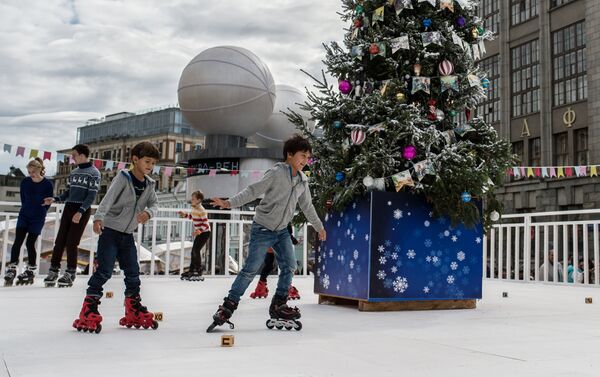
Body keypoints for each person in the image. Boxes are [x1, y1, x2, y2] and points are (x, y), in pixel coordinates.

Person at [207, 135, 326, 332]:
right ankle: (227, 307)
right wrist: (229, 203)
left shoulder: (303, 181)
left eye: (308, 157)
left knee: (289, 265)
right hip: (263, 228)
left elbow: (307, 207)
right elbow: (253, 191)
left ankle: (278, 304)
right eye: (302, 156)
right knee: (250, 269)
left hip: (281, 231)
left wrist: (319, 227)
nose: (305, 161)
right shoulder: (276, 173)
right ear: (289, 155)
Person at [72, 142, 159, 334]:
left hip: (128, 234)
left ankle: (133, 308)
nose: (150, 166)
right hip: (110, 231)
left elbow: (154, 204)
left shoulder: (149, 184)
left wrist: (148, 213)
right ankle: (89, 308)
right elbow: (108, 198)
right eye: (147, 161)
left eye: (153, 163)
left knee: (133, 272)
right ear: (135, 160)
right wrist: (98, 218)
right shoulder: (123, 177)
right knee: (104, 271)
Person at [43, 144, 100, 287]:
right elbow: (68, 192)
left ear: (82, 155)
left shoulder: (94, 173)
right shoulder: (74, 172)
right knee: (60, 240)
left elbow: (91, 195)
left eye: (74, 155)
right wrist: (55, 199)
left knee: (72, 242)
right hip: (69, 207)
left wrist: (80, 212)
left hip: (81, 209)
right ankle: (53, 270)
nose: (72, 158)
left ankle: (70, 272)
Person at [3, 158, 53, 286]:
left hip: (37, 217)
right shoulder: (25, 182)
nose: (31, 174)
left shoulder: (47, 184)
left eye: (33, 172)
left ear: (40, 170)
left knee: (30, 243)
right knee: (17, 241)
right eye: (29, 172)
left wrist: (40, 211)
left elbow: (48, 202)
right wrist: (27, 209)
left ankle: (31, 270)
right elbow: (23, 198)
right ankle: (12, 268)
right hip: (24, 215)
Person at [249, 223, 301, 299]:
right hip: (279, 241)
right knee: (286, 266)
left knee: (269, 265)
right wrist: (294, 241)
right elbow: (286, 233)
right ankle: (287, 287)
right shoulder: (286, 217)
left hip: (269, 239)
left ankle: (260, 287)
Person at [178, 190, 211, 281]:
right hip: (200, 232)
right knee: (193, 251)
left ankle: (198, 270)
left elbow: (206, 224)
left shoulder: (201, 210)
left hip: (205, 232)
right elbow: (192, 217)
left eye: (193, 199)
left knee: (196, 251)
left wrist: (199, 230)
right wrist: (185, 215)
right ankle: (192, 270)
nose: (191, 200)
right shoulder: (194, 209)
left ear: (199, 200)